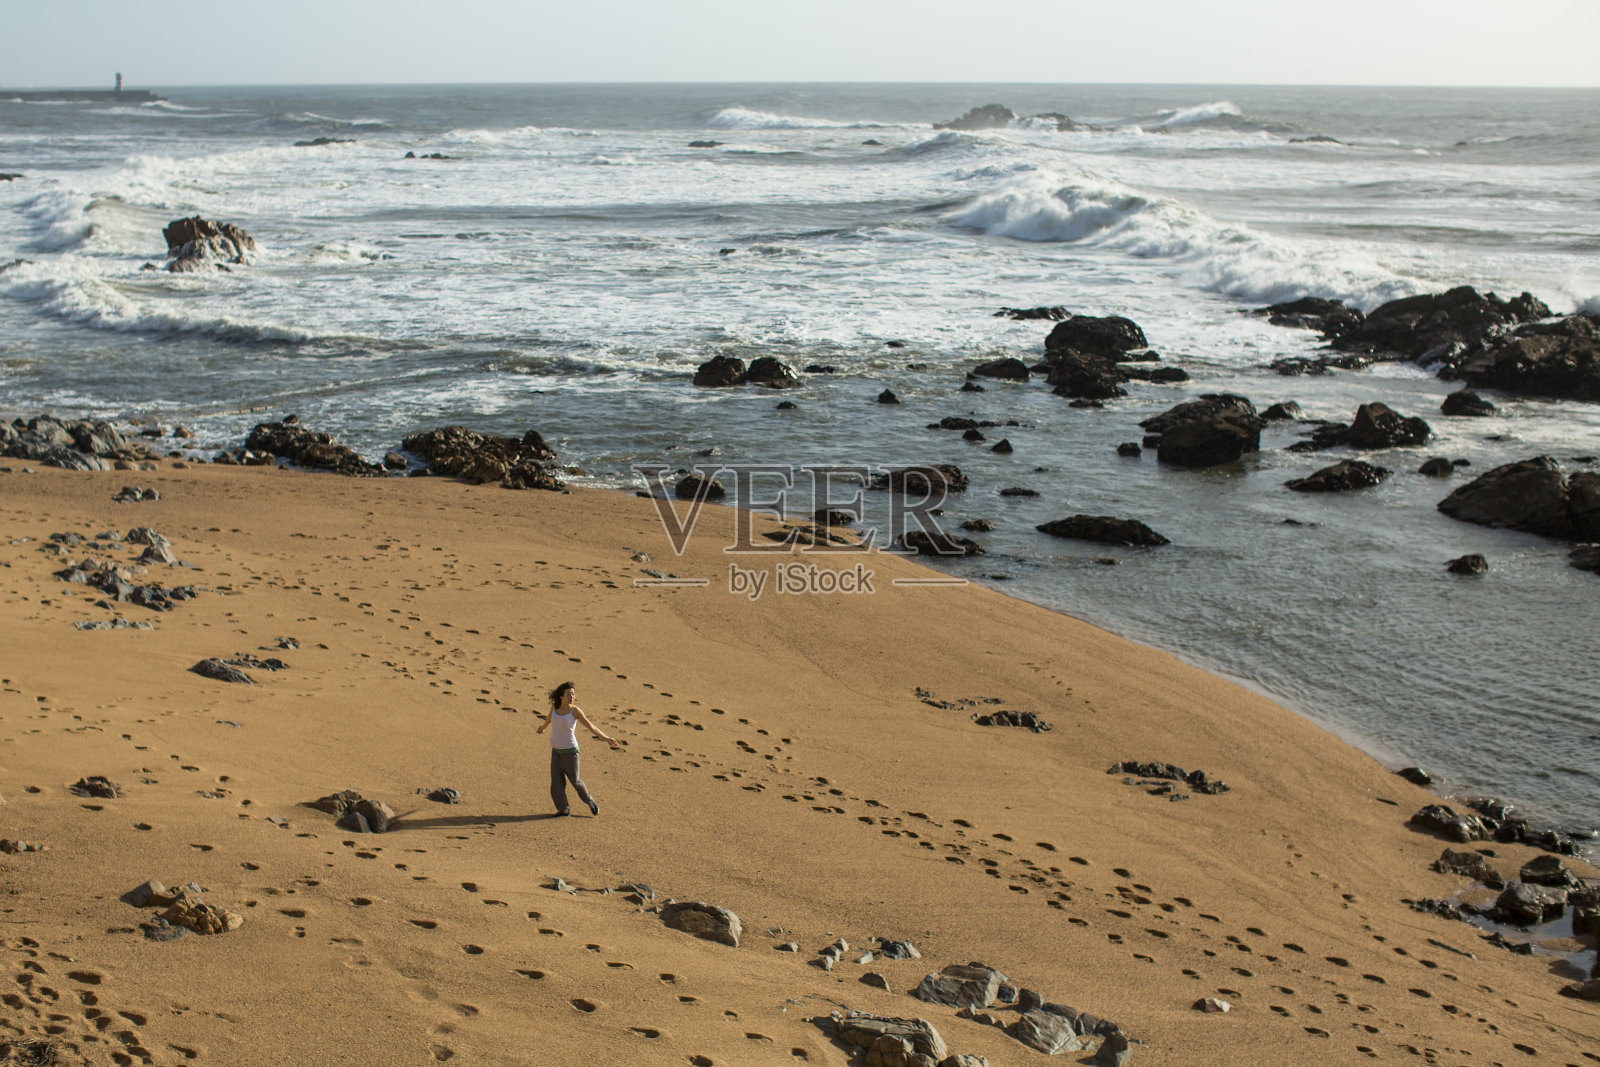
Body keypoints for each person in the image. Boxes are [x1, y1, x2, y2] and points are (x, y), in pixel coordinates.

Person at [536, 681, 620, 816]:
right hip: (556, 752)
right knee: (556, 783)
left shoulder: (575, 711)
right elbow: (548, 720)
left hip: (570, 753)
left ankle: (589, 800)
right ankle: (564, 809)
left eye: (573, 694)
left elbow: (591, 727)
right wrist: (542, 728)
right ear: (561, 696)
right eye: (569, 694)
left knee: (575, 781)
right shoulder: (555, 707)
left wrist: (606, 738)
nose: (572, 696)